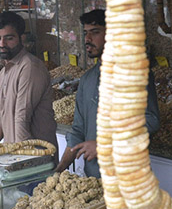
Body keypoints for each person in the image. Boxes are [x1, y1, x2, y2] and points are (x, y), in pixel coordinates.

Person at [56, 9, 161, 177]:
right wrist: (60, 167)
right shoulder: (87, 79)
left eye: (95, 32)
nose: (88, 39)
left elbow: (151, 120)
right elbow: (78, 129)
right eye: (85, 33)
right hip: (94, 177)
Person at [0, 11, 57, 156]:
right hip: (15, 152)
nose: (2, 44)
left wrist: (23, 160)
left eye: (9, 38)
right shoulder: (4, 72)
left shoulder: (30, 67)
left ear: (22, 38)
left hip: (35, 156)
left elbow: (22, 116)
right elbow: (3, 113)